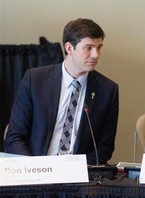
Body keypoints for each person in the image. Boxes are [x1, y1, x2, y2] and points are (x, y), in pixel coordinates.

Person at [4, 18, 119, 165]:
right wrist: (34, 168)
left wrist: (74, 168)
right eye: (89, 48)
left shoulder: (108, 90)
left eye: (99, 47)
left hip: (79, 175)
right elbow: (15, 137)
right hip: (35, 170)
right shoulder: (35, 80)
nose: (96, 55)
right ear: (69, 48)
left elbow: (105, 148)